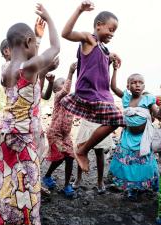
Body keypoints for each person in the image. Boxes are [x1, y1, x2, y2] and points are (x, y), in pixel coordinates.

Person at [0, 4, 59, 225]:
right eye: (34, 43)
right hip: (23, 138)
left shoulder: (6, 69)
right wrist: (50, 19)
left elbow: (35, 56)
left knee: (9, 178)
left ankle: (6, 217)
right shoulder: (29, 68)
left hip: (8, 135)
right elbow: (56, 48)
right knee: (31, 182)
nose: (37, 48)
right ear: (27, 42)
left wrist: (39, 37)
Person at [60, 0, 124, 172]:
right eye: (110, 29)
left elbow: (103, 57)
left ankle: (83, 147)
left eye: (114, 31)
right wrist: (79, 9)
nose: (112, 33)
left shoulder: (104, 49)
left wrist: (113, 56)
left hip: (102, 95)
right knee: (117, 119)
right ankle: (82, 150)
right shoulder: (89, 39)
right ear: (98, 25)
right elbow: (65, 33)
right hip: (89, 93)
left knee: (117, 121)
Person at [109, 68, 159, 200]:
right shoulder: (126, 98)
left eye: (140, 82)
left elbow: (158, 113)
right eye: (134, 82)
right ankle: (131, 188)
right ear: (128, 86)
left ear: (144, 86)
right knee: (129, 163)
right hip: (128, 137)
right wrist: (114, 69)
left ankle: (143, 186)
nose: (137, 85)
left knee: (143, 163)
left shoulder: (148, 99)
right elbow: (113, 87)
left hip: (143, 138)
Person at [43, 62, 77, 198]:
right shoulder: (58, 97)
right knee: (62, 156)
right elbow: (66, 91)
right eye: (63, 83)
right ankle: (47, 176)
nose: (67, 85)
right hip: (54, 134)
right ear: (57, 89)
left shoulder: (72, 101)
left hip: (65, 135)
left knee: (70, 158)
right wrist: (70, 72)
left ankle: (67, 185)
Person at [73, 120, 114, 193]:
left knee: (99, 151)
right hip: (87, 120)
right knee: (81, 149)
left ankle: (100, 181)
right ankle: (78, 177)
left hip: (99, 120)